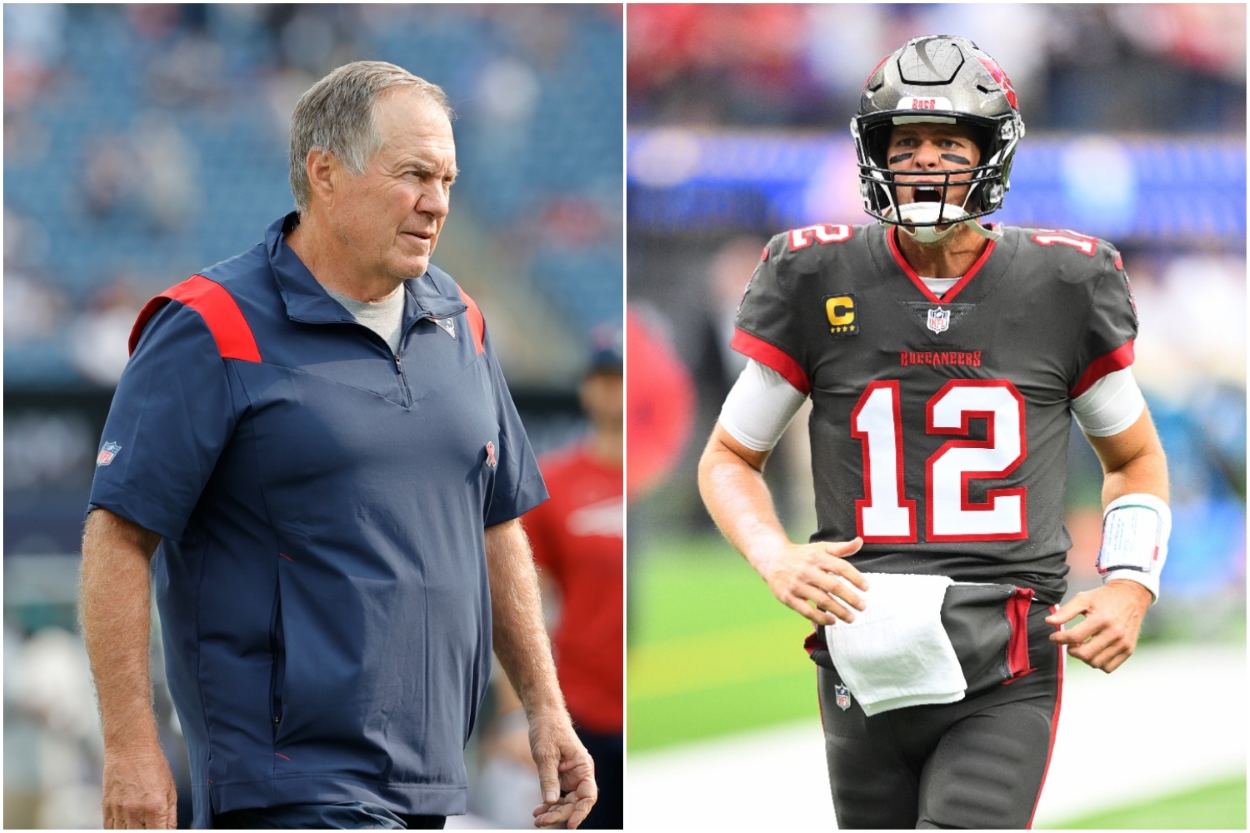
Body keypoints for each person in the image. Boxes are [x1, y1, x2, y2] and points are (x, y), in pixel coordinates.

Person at [78, 60, 597, 830]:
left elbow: (496, 524)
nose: (438, 203)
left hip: (432, 779)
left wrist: (545, 707)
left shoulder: (460, 318)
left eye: (449, 179)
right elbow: (117, 537)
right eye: (415, 174)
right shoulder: (209, 326)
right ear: (325, 171)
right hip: (286, 783)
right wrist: (129, 746)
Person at [698, 35, 1170, 829]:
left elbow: (1135, 458)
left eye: (948, 140)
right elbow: (728, 458)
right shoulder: (816, 277)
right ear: (872, 154)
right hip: (860, 650)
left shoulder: (1063, 283)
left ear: (992, 151)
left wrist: (1130, 581)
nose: (923, 160)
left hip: (1006, 653)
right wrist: (773, 553)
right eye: (904, 142)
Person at [524, 331, 624, 829]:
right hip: (580, 709)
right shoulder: (555, 482)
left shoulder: (658, 475)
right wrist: (515, 714)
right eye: (605, 380)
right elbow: (520, 605)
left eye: (623, 380)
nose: (614, 392)